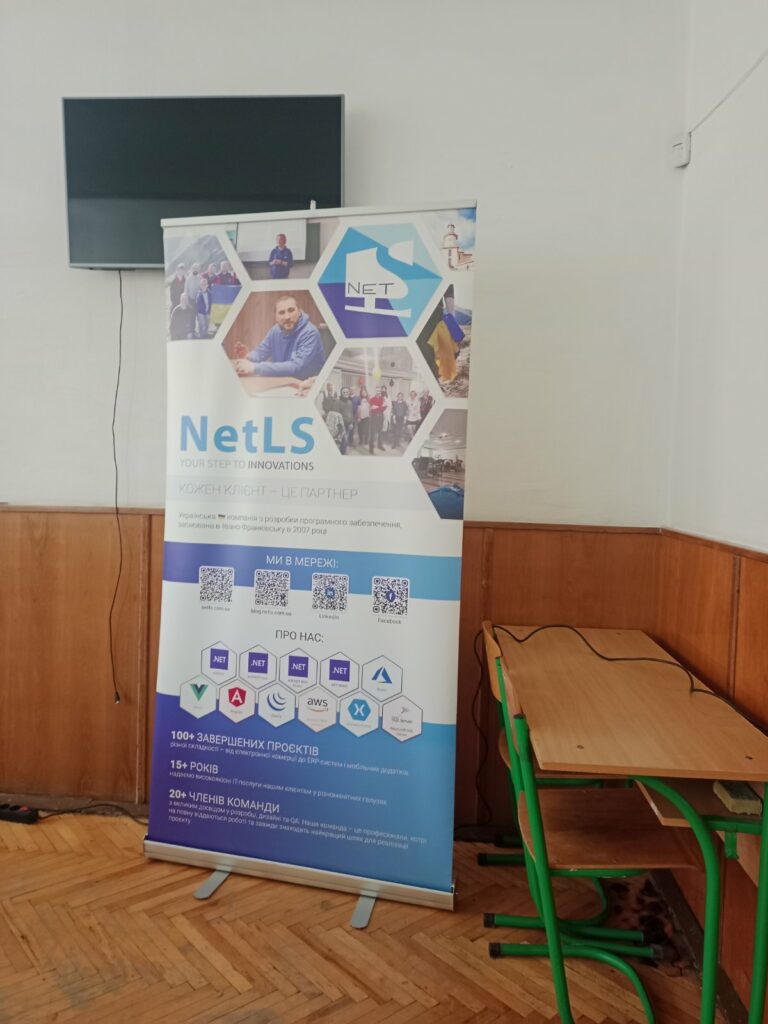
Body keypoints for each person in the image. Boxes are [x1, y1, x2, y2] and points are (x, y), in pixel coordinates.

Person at [233, 295, 325, 381]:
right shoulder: (275, 331)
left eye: (291, 310)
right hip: (285, 381)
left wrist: (255, 368)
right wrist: (248, 356)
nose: (287, 317)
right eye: (281, 313)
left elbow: (296, 367)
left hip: (308, 385)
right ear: (275, 317)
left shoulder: (310, 332)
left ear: (299, 311)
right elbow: (261, 352)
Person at [368, 386, 386, 453]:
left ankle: (380, 445)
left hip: (381, 417)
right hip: (374, 417)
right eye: (377, 391)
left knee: (380, 432)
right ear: (375, 391)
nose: (378, 392)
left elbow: (384, 408)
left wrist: (377, 407)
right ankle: (371, 447)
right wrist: (380, 407)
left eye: (379, 391)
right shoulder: (372, 399)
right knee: (372, 433)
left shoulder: (382, 399)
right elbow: (372, 408)